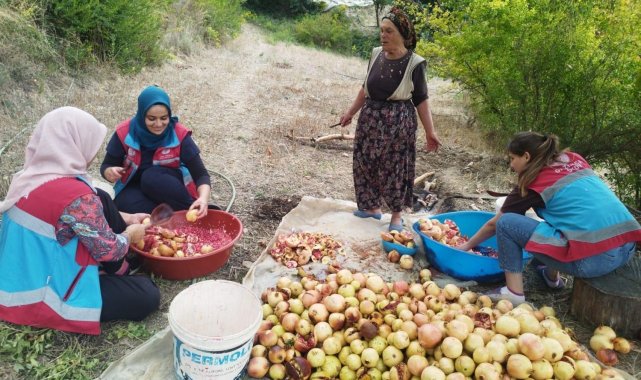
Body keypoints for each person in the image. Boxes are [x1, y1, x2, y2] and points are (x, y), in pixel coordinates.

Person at [0, 107, 160, 335]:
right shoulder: (76, 197)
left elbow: (79, 217)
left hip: (20, 275)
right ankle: (117, 272)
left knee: (102, 196)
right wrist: (131, 234)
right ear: (74, 143)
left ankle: (119, 270)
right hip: (42, 294)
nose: (94, 151)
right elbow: (109, 250)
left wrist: (129, 217)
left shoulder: (32, 176)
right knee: (147, 294)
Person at [458, 131, 641, 305]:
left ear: (527, 157)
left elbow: (494, 224)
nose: (511, 165)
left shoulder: (533, 180)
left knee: (507, 223)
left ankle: (513, 293)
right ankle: (551, 277)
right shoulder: (574, 159)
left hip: (594, 261)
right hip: (626, 248)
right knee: (559, 217)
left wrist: (466, 246)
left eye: (513, 158)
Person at [339, 6, 441, 232]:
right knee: (364, 163)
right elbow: (365, 88)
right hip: (370, 119)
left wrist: (430, 132)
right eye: (382, 30)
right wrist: (350, 113)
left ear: (403, 34)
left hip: (398, 123)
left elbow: (422, 100)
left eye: (389, 31)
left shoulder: (415, 63)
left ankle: (396, 215)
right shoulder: (376, 54)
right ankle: (370, 208)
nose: (383, 35)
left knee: (395, 168)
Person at [101, 85, 212, 217]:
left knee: (150, 177)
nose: (158, 124)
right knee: (121, 204)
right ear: (142, 115)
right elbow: (106, 166)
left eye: (164, 118)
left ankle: (193, 208)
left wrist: (203, 199)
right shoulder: (124, 133)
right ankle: (171, 218)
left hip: (169, 186)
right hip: (135, 187)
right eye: (152, 119)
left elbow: (201, 174)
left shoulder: (179, 134)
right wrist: (109, 172)